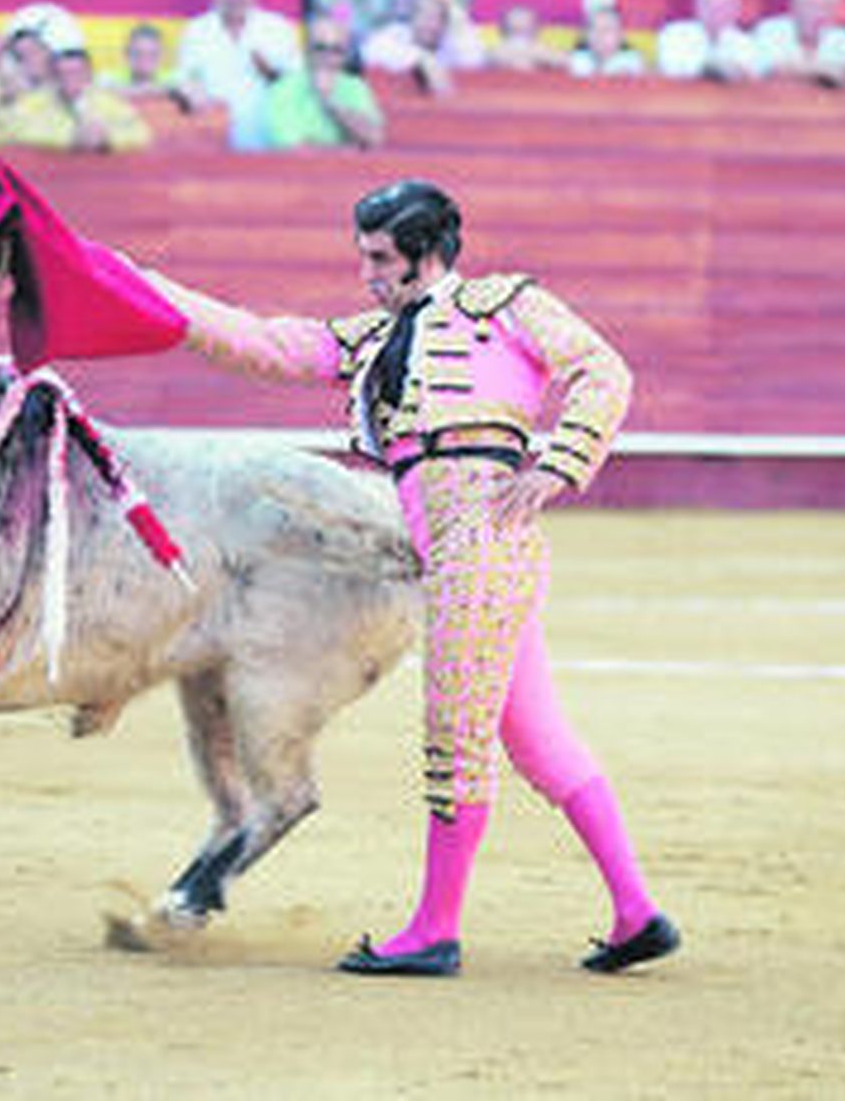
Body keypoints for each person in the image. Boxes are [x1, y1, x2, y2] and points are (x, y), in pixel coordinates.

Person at [140, 181, 680, 978]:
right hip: (448, 548)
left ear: (426, 255)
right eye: (363, 256)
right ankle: (638, 913)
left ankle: (435, 929)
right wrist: (142, 288)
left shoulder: (505, 304)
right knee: (538, 742)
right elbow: (268, 343)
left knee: (454, 737)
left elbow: (603, 371)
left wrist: (558, 464)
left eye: (380, 259)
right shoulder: (374, 336)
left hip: (480, 542)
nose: (366, 273)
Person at [175, 0, 302, 151]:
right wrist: (194, 93)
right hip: (212, 137)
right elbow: (186, 79)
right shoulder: (197, 30)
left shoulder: (277, 28)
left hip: (268, 138)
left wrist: (270, 73)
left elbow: (297, 86)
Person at [0, 46, 151, 152]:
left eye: (76, 73)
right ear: (53, 75)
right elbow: (4, 130)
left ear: (88, 76)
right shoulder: (33, 102)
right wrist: (69, 136)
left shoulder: (108, 102)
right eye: (63, 73)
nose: (70, 79)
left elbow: (142, 133)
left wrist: (106, 138)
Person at [262, 18, 384, 151]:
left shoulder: (355, 86)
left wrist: (330, 103)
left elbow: (373, 139)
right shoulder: (283, 88)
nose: (328, 56)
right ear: (306, 51)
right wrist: (350, 149)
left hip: (349, 171)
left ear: (345, 56)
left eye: (336, 50)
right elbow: (293, 150)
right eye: (320, 48)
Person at [360, 0, 486, 95]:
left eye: (439, 19)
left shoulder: (448, 41)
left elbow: (473, 61)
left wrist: (454, 8)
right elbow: (370, 50)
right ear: (413, 18)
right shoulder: (394, 35)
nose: (432, 25)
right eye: (426, 17)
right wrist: (420, 59)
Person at [656, 0, 762, 81]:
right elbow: (671, 70)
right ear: (697, 6)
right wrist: (713, 69)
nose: (715, 9)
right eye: (708, 2)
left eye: (724, 4)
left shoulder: (744, 41)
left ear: (736, 10)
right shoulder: (674, 33)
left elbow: (751, 77)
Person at [568, 6, 647, 78]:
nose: (599, 35)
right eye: (593, 28)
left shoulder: (631, 60)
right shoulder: (579, 57)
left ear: (620, 35)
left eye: (606, 29)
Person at [487, 4, 569, 72]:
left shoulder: (545, 51)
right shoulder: (494, 53)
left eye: (522, 19)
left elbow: (565, 60)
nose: (519, 23)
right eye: (517, 20)